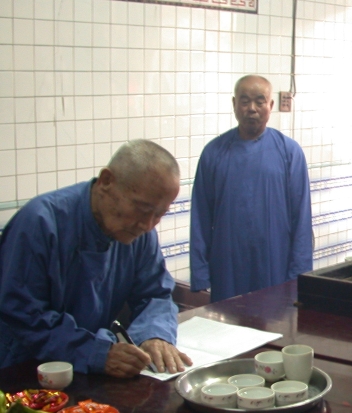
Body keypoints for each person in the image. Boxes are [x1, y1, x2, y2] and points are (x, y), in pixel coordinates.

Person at [0, 140, 192, 378]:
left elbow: (154, 294)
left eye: (159, 214)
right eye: (142, 209)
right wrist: (94, 352)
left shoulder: (139, 231)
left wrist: (155, 334)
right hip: (24, 368)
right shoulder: (41, 222)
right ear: (106, 181)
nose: (148, 224)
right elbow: (24, 315)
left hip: (89, 372)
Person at [191, 75, 313, 303]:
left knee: (275, 321)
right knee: (228, 321)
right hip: (227, 267)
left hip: (275, 267)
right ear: (234, 104)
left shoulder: (289, 152)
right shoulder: (214, 153)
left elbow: (302, 219)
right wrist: (200, 273)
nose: (252, 108)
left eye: (260, 101)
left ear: (271, 105)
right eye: (245, 101)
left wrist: (299, 275)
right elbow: (200, 217)